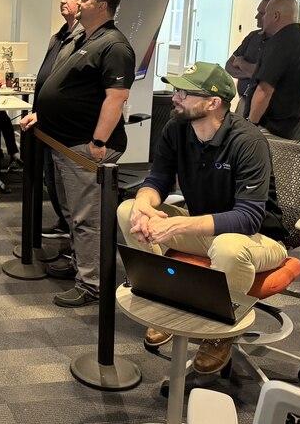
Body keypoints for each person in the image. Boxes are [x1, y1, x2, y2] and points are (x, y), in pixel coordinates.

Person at [118, 62, 288, 374]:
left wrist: (177, 224)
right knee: (127, 209)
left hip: (259, 238)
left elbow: (248, 218)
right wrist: (144, 202)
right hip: (206, 230)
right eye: (175, 90)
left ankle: (220, 333)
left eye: (184, 92)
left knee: (228, 248)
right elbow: (158, 179)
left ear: (213, 103)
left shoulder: (247, 141)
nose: (174, 97)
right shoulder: (177, 129)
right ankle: (163, 299)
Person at [20, 0, 135, 307]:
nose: (76, 3)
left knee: (88, 217)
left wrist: (98, 141)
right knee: (72, 212)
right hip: (62, 141)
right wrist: (44, 115)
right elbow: (72, 89)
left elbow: (117, 97)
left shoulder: (114, 45)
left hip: (85, 147)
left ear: (101, 6)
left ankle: (93, 284)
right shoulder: (84, 38)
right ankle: (79, 264)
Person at [27, 0, 86, 237]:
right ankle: (65, 224)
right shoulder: (59, 36)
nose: (63, 0)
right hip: (46, 126)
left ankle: (73, 239)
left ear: (84, 2)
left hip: (65, 130)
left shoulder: (86, 39)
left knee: (69, 189)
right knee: (52, 180)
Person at [247, 0, 300, 142]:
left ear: (275, 16)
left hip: (272, 129)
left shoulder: (278, 44)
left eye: (265, 13)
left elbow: (264, 90)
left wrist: (251, 125)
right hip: (296, 128)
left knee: (264, 165)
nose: (260, 17)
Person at [225, 0, 276, 115]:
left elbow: (268, 75)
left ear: (275, 16)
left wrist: (242, 63)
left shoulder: (281, 43)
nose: (256, 17)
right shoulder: (253, 37)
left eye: (262, 13)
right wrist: (254, 75)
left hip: (266, 106)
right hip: (244, 101)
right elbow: (229, 66)